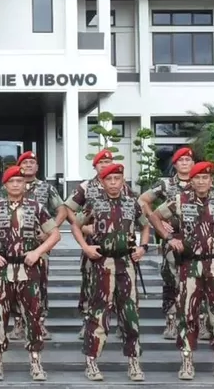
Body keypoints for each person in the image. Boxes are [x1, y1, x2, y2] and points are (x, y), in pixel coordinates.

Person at [150, 161, 214, 381]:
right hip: (190, 265)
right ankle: (187, 362)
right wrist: (169, 238)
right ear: (192, 180)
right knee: (187, 313)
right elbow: (155, 216)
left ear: (210, 180)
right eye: (198, 178)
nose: (202, 181)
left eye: (206, 177)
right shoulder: (180, 199)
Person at [0, 165, 61, 381]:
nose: (17, 184)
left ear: (25, 184)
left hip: (29, 270)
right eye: (12, 181)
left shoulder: (36, 207)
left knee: (33, 317)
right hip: (2, 271)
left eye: (20, 181)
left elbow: (55, 234)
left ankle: (36, 362)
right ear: (6, 184)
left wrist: (38, 252)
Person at [69, 163, 149, 382]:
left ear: (123, 180)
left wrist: (143, 247)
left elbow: (146, 226)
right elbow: (75, 225)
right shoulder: (94, 203)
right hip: (102, 264)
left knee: (130, 315)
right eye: (109, 180)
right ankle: (92, 362)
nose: (113, 183)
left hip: (127, 264)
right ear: (102, 182)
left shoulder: (132, 203)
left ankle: (134, 362)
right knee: (99, 314)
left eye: (117, 179)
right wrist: (85, 247)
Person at [138, 147, 209, 340]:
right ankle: (171, 322)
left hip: (199, 241)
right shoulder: (166, 184)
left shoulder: (201, 182)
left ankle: (200, 322)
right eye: (181, 160)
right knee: (172, 280)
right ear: (175, 164)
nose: (185, 163)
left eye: (188, 160)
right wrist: (160, 223)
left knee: (199, 279)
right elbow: (143, 201)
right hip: (173, 240)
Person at [0, 151, 66, 341]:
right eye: (24, 162)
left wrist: (50, 230)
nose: (28, 165)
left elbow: (62, 210)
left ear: (37, 167)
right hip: (12, 249)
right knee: (14, 285)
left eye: (32, 162)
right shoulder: (7, 188)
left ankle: (39, 323)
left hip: (38, 247)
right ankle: (18, 324)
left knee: (40, 284)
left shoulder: (46, 188)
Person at [65, 149, 135, 339]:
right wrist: (83, 227)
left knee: (124, 289)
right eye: (101, 163)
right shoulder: (86, 186)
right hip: (93, 246)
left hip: (120, 248)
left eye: (108, 161)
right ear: (95, 166)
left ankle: (123, 324)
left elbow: (137, 210)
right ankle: (88, 321)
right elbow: (68, 208)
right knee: (90, 284)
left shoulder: (123, 186)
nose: (105, 165)